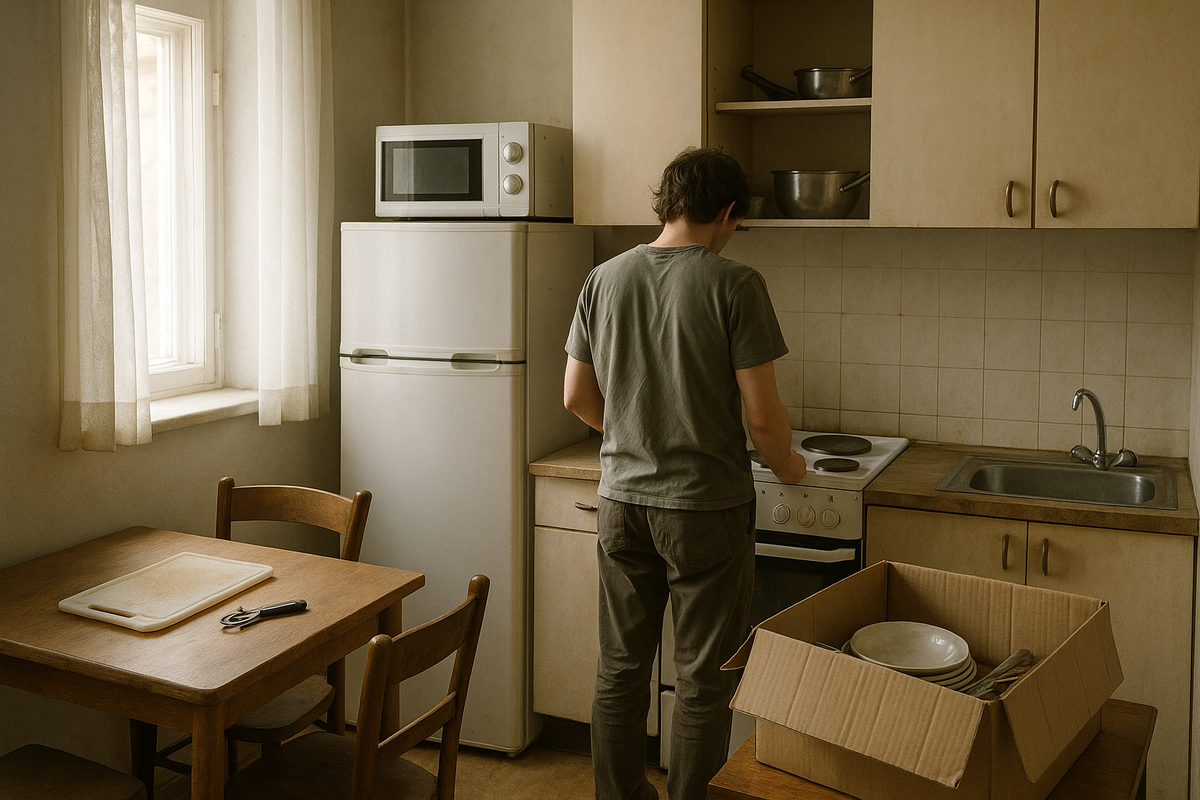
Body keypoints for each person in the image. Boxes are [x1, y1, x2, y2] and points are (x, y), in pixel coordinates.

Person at [563, 146, 806, 800]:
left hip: (621, 503)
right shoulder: (736, 284)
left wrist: (635, 433)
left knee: (620, 669)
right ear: (726, 212)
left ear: (668, 203)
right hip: (704, 510)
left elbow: (576, 397)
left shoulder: (603, 279)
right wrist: (790, 467)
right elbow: (763, 419)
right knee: (702, 679)